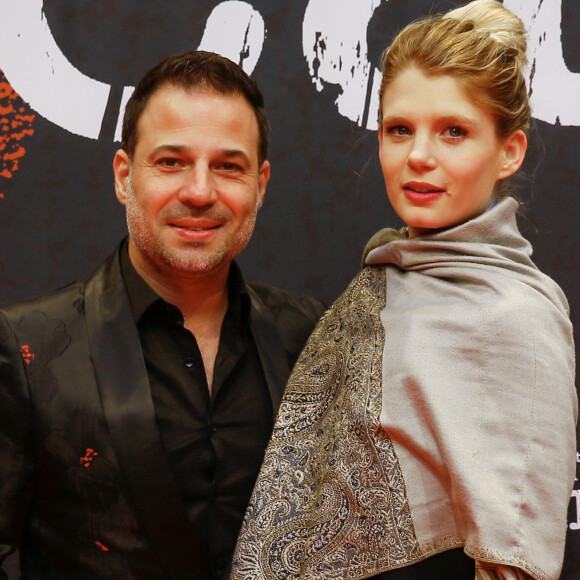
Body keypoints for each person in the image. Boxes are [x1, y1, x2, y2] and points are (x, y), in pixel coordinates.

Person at [230, 2, 577, 579]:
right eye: (399, 129)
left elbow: (517, 556)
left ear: (508, 151)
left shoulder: (516, 317)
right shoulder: (381, 278)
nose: (418, 155)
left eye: (454, 132)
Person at [0, 50, 325, 580]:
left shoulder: (310, 335)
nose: (200, 192)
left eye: (228, 166)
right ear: (124, 176)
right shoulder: (27, 346)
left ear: (260, 186)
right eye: (171, 162)